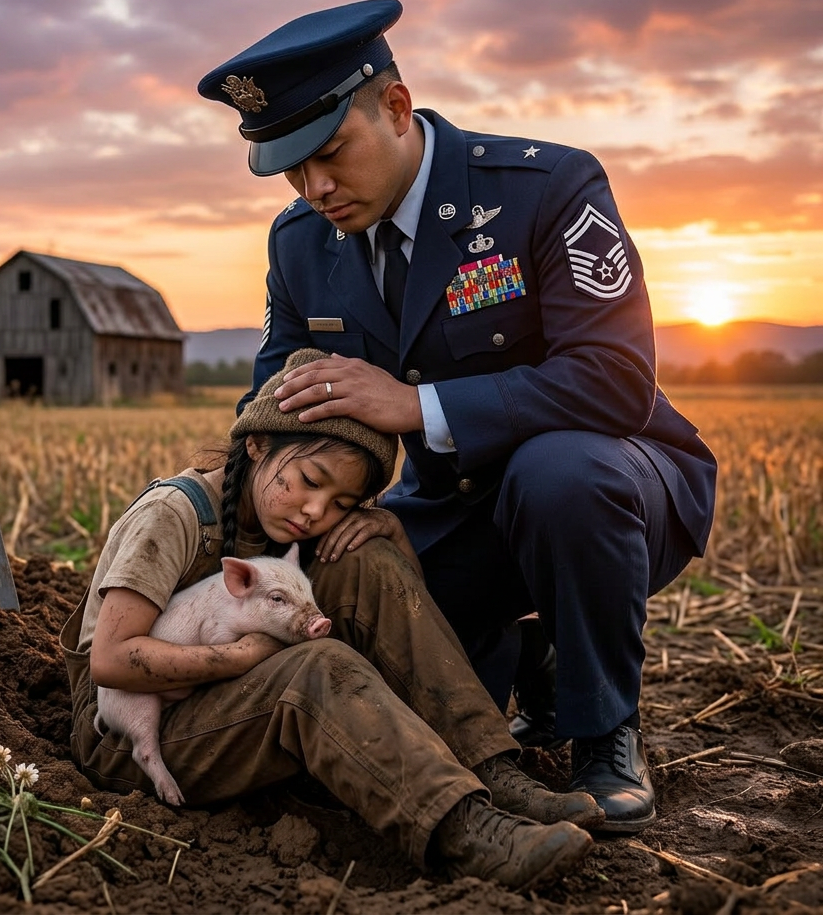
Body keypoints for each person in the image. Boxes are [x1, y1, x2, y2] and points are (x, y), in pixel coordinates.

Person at [197, 0, 718, 833]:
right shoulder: (300, 242)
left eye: (331, 153)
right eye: (292, 171)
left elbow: (616, 378)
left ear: (397, 109)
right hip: (447, 506)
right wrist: (236, 513)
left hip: (615, 485)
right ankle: (527, 660)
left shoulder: (545, 188)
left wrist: (415, 405)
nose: (315, 188)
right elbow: (272, 410)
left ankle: (603, 731)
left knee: (558, 478)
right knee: (348, 589)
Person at [60, 348, 602, 890]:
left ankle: (488, 770)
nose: (317, 511)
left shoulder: (291, 527)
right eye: (309, 480)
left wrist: (392, 541)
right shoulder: (175, 515)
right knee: (316, 666)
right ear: (256, 444)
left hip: (212, 707)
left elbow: (394, 611)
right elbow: (111, 661)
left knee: (366, 558)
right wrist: (239, 658)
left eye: (342, 501)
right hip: (129, 735)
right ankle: (463, 831)